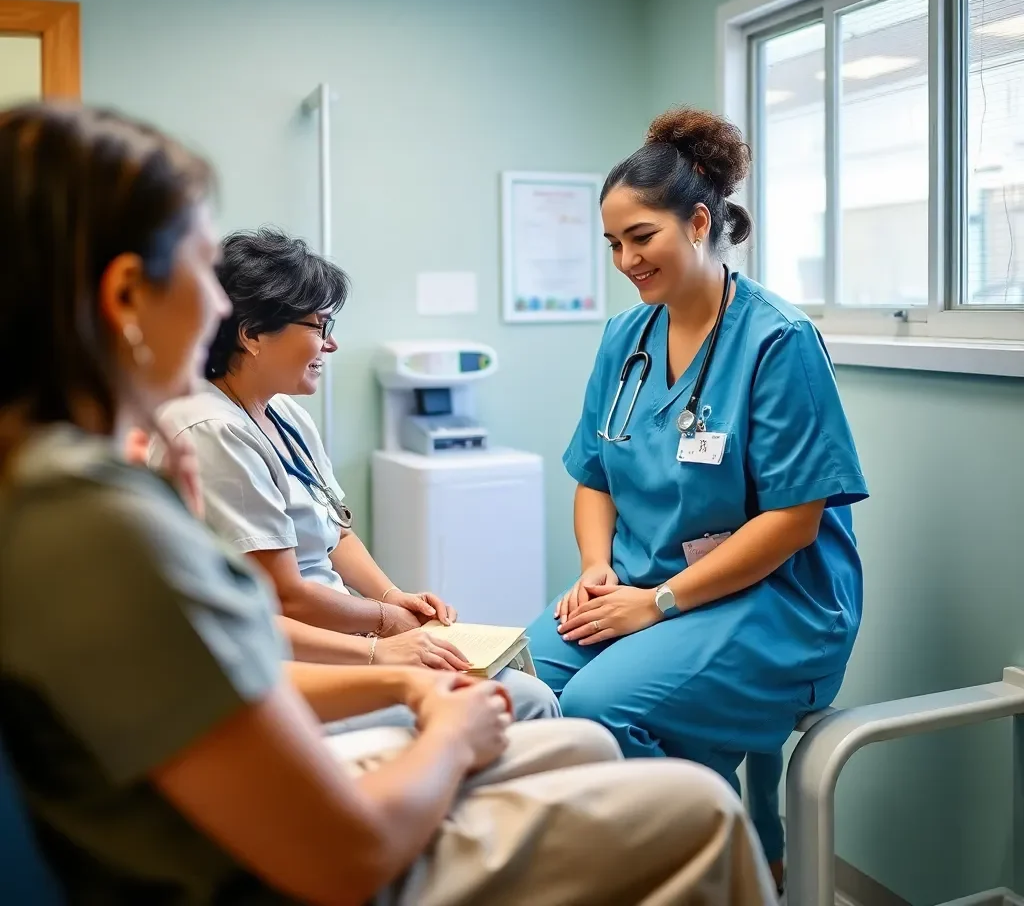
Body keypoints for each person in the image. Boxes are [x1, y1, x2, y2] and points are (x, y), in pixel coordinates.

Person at [0, 102, 779, 906]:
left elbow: (234, 659)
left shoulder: (71, 484)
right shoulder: (92, 520)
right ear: (127, 295)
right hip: (277, 865)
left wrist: (404, 675)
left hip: (257, 806)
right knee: (698, 807)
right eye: (202, 272)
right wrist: (434, 723)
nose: (217, 310)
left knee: (576, 738)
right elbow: (345, 853)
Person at [525, 106, 869, 888]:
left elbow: (793, 522)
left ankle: (708, 873)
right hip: (645, 586)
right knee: (521, 683)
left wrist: (658, 605)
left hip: (780, 604)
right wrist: (593, 569)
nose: (624, 259)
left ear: (700, 221)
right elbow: (594, 475)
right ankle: (617, 865)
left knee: (601, 708)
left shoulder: (777, 339)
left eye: (640, 237)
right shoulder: (626, 339)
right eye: (612, 243)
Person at [152, 227, 557, 724]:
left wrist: (392, 597)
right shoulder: (212, 430)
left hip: (339, 634)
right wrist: (388, 628)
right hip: (282, 660)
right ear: (252, 333)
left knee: (519, 686)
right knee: (521, 700)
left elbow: (336, 532)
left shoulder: (284, 415)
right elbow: (286, 596)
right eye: (319, 326)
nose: (332, 343)